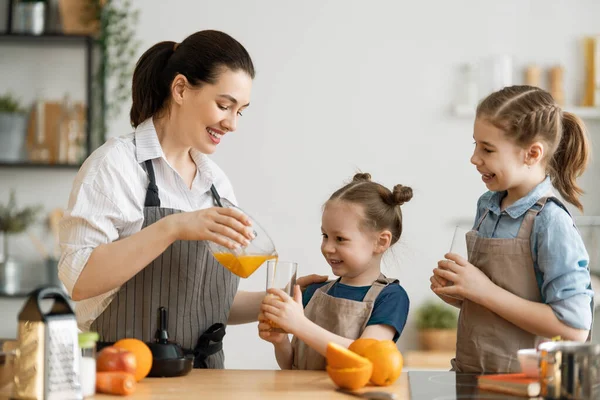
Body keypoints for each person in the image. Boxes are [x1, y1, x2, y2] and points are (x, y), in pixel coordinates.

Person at [58, 30, 325, 369]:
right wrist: (174, 227)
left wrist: (277, 302)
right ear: (181, 89)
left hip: (206, 380)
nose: (232, 124)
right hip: (126, 377)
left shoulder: (216, 185)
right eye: (224, 105)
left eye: (240, 111)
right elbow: (80, 281)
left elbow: (202, 304)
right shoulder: (116, 166)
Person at [430, 85, 594, 374]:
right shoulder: (488, 206)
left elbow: (574, 327)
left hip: (526, 384)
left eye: (488, 149)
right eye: (475, 145)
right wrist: (463, 294)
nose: (474, 158)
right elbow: (502, 304)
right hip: (473, 374)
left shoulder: (550, 221)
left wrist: (482, 291)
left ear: (532, 153)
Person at [258, 173, 411, 370]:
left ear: (380, 242)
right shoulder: (314, 292)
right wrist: (280, 342)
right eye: (325, 235)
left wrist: (300, 325)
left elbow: (366, 357)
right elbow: (292, 366)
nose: (328, 247)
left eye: (340, 239)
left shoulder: (391, 297)